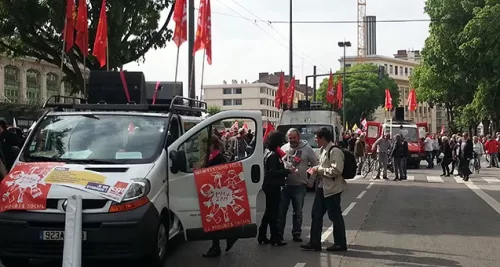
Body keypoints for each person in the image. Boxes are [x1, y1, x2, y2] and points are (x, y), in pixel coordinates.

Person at [301, 127, 347, 252]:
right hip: (322, 187)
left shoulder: (334, 151)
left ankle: (340, 243)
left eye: (316, 138)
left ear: (323, 138)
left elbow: (337, 170)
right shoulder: (323, 149)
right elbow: (323, 166)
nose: (315, 140)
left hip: (332, 188)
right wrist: (315, 169)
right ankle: (314, 242)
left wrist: (319, 170)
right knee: (316, 214)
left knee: (335, 216)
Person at [278, 128, 318, 242]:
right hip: (285, 185)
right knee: (281, 211)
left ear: (298, 137)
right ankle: (279, 233)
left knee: (298, 212)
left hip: (299, 185)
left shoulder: (307, 149)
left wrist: (310, 179)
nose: (292, 140)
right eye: (290, 138)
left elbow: (315, 165)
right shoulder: (284, 148)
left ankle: (297, 233)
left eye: (294, 138)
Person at [202, 136, 237, 257]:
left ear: (211, 145)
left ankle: (218, 245)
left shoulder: (218, 157)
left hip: (218, 193)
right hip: (213, 192)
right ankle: (219, 243)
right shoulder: (211, 157)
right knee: (216, 220)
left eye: (205, 145)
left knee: (216, 220)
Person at [258, 130, 292, 246]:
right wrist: (287, 171)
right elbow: (273, 172)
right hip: (272, 186)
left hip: (271, 185)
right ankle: (273, 237)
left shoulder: (271, 153)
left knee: (270, 212)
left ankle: (264, 235)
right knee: (273, 213)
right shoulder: (272, 155)